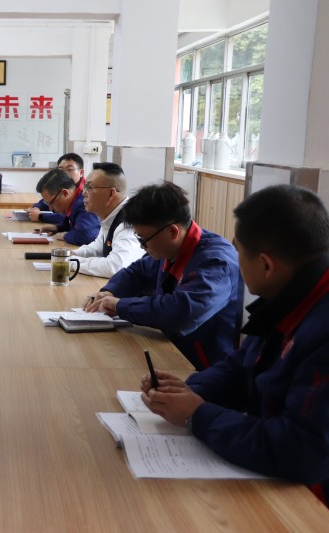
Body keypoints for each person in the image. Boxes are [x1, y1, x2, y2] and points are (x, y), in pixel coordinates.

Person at [139, 185, 329, 505]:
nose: (236, 260)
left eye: (239, 251)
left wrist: (198, 415)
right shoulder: (289, 294)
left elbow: (302, 451)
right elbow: (243, 366)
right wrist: (190, 392)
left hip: (308, 503)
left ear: (266, 265)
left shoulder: (321, 328)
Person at [85, 182, 242, 370]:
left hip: (204, 368)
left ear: (172, 232)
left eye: (144, 239)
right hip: (172, 349)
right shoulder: (172, 247)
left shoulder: (216, 263)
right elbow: (138, 271)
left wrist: (120, 306)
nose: (142, 246)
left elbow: (181, 312)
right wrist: (110, 292)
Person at [71, 162, 144, 277]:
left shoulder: (129, 221)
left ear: (111, 193)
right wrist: (71, 254)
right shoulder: (111, 215)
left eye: (89, 187)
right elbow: (99, 247)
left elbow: (115, 267)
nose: (83, 193)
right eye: (84, 186)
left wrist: (71, 263)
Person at [33, 167, 100, 246]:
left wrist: (65, 236)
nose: (50, 208)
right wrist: (57, 228)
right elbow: (73, 224)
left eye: (51, 202)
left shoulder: (84, 203)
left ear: (65, 193)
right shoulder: (75, 200)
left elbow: (86, 236)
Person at [26, 153, 85, 225]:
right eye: (60, 170)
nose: (64, 173)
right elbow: (49, 200)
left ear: (81, 173)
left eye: (70, 169)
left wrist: (41, 216)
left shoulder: (85, 194)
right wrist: (36, 208)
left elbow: (68, 217)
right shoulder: (62, 186)